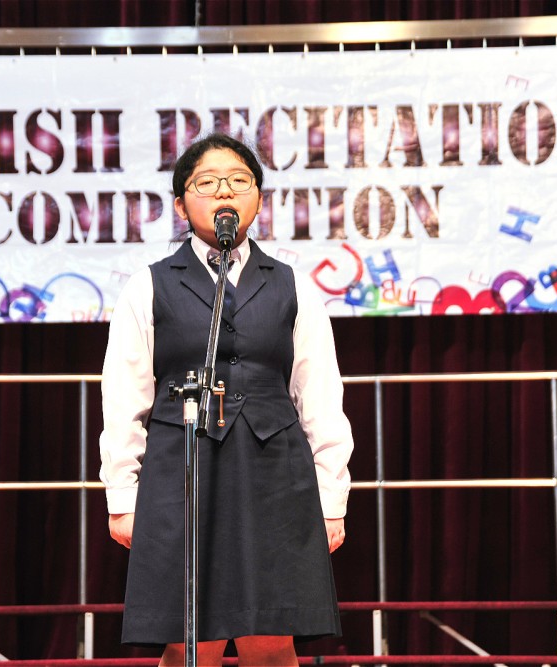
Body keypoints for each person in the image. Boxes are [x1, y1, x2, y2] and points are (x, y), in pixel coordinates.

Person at [99, 132, 354, 667]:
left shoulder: (293, 286)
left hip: (274, 474)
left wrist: (331, 497)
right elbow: (124, 397)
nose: (224, 191)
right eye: (207, 182)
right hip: (182, 472)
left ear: (258, 200)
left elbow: (320, 395)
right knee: (191, 640)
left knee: (272, 637)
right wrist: (123, 494)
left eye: (239, 181)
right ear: (180, 204)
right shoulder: (148, 286)